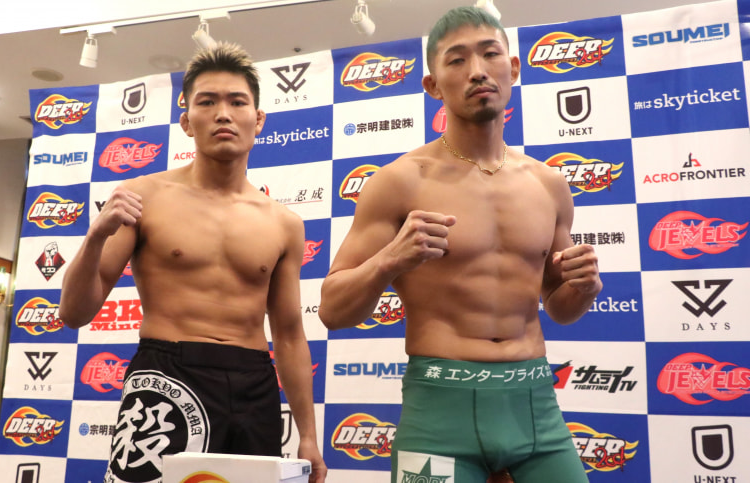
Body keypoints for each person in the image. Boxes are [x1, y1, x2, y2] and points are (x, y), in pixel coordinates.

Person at [318, 7, 601, 483]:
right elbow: (332, 310)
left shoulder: (549, 184)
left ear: (513, 68)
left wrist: (584, 287)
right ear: (433, 85)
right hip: (439, 412)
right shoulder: (399, 182)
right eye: (457, 60)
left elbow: (559, 306)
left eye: (490, 54)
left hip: (534, 405)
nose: (477, 71)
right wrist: (390, 260)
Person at [59, 42, 327, 483]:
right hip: (166, 370)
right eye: (207, 102)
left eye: (237, 102)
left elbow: (289, 334)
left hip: (253, 382)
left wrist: (309, 436)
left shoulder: (285, 224)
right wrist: (94, 238)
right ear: (186, 121)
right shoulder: (143, 197)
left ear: (258, 119)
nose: (223, 114)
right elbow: (74, 313)